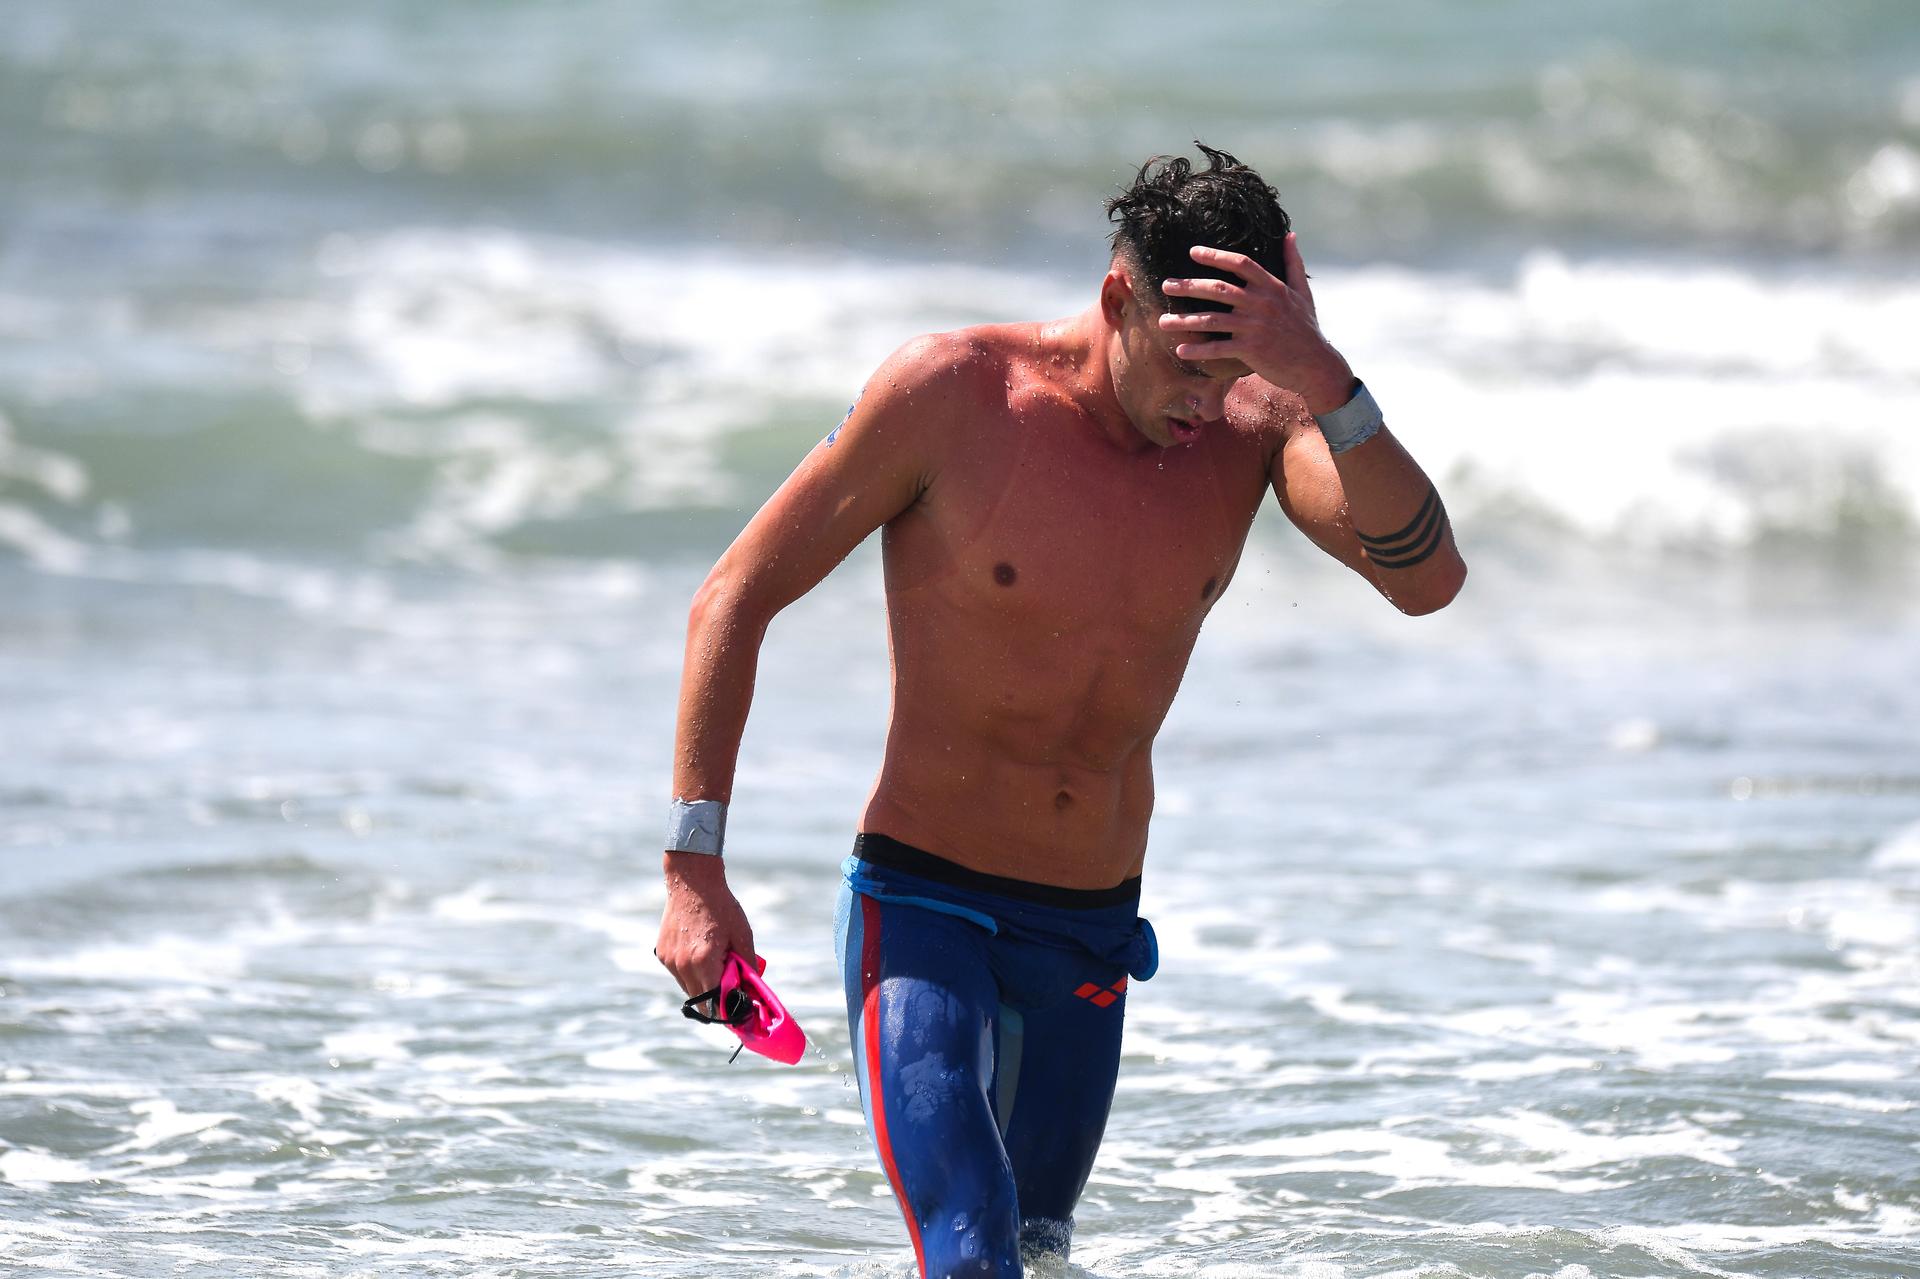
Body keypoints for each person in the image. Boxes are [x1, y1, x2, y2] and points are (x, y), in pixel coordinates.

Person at [653, 143, 1466, 1277]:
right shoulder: (954, 394)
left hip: (1087, 930)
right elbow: (735, 594)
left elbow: (1427, 580)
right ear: (1117, 297)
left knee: (1041, 1253)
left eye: (1232, 368)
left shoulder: (1258, 420)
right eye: (1186, 366)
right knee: (973, 1249)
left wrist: (1325, 379)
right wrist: (695, 866)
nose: (1205, 402)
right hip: (925, 908)